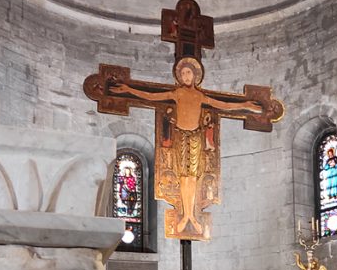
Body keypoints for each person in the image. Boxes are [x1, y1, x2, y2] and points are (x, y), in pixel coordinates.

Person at [110, 58, 262, 237]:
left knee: (193, 177)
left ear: (195, 75)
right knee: (183, 176)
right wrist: (129, 89)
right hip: (180, 137)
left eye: (188, 72)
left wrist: (245, 105)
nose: (185, 76)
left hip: (196, 137)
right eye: (182, 73)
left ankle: (191, 215)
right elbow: (152, 96)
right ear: (179, 77)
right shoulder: (177, 93)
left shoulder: (200, 96)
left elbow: (223, 104)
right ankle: (187, 215)